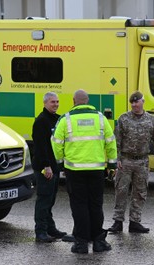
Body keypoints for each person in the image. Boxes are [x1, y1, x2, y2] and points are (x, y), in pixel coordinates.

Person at [51, 89, 117, 254]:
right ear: (87, 101)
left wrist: (60, 164)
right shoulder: (101, 118)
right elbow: (111, 142)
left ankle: (81, 243)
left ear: (74, 101)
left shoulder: (65, 120)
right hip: (96, 170)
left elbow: (56, 143)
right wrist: (112, 165)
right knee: (96, 205)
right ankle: (98, 242)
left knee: (79, 206)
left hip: (74, 170)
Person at [108, 91, 154, 234]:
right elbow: (117, 140)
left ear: (142, 102)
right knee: (121, 191)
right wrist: (117, 159)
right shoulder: (123, 119)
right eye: (132, 102)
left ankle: (135, 222)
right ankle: (117, 222)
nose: (134, 105)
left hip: (142, 161)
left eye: (136, 102)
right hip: (125, 161)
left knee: (140, 192)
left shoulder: (151, 120)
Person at [32, 92, 67, 243]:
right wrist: (47, 166)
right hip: (45, 167)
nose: (56, 104)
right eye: (53, 102)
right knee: (44, 200)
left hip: (54, 166)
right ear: (45, 103)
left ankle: (50, 228)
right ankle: (40, 231)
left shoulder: (57, 119)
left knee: (50, 200)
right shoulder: (41, 121)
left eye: (57, 102)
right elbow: (41, 147)